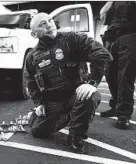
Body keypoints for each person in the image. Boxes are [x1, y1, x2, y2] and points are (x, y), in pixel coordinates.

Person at [24, 13, 112, 154]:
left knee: (91, 96)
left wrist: (92, 82)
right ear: (34, 34)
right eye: (42, 24)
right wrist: (39, 103)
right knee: (37, 131)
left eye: (50, 20)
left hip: (76, 94)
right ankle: (71, 115)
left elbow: (102, 54)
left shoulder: (72, 39)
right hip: (53, 101)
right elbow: (30, 81)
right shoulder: (32, 56)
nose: (49, 24)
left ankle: (76, 137)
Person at [99, 2, 136, 129]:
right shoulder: (112, 2)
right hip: (111, 38)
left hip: (129, 37)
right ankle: (115, 106)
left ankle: (124, 116)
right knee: (110, 74)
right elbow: (104, 19)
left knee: (125, 77)